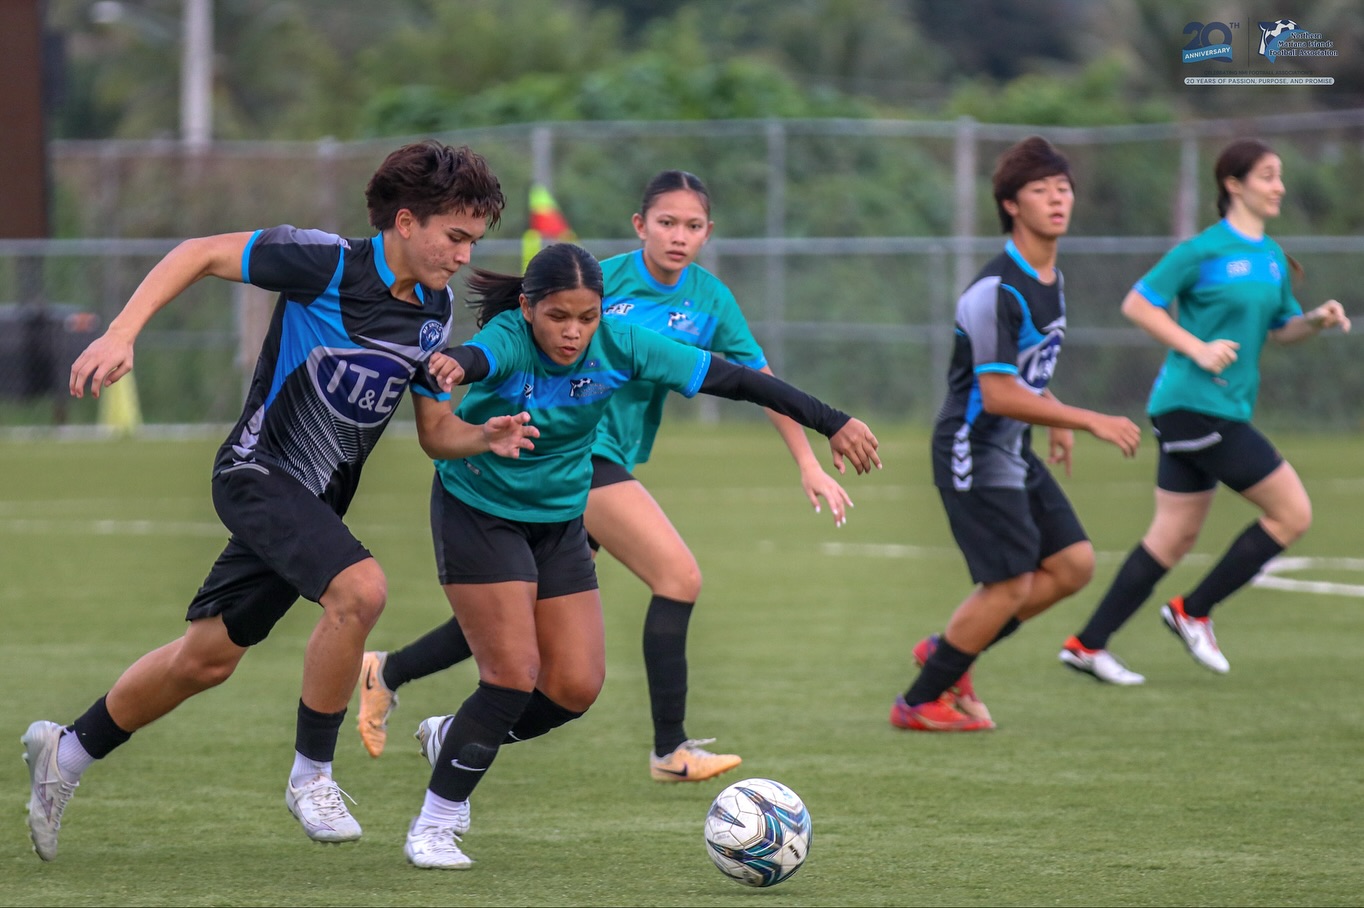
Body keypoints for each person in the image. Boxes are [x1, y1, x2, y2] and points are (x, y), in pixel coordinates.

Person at [21, 140, 537, 862]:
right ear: (406, 221)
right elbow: (199, 253)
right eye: (454, 237)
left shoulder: (435, 309)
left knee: (205, 659)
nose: (463, 255)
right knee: (361, 590)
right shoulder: (324, 262)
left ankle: (66, 752)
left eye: (473, 241)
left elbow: (433, 434)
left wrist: (483, 436)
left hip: (314, 506)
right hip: (256, 473)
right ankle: (312, 776)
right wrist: (121, 332)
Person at [357, 170, 857, 782]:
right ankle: (670, 749)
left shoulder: (709, 299)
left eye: (692, 225)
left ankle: (392, 672)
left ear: (708, 232)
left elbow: (751, 377)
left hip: (602, 463)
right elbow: (498, 347)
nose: (678, 236)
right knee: (676, 577)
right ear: (640, 226)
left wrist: (810, 453)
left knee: (519, 615)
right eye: (667, 222)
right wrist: (459, 363)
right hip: (575, 459)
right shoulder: (599, 280)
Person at [398, 241, 879, 869]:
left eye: (587, 317)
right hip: (480, 511)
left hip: (559, 518)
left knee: (575, 687)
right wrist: (454, 364)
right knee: (513, 673)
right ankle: (435, 824)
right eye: (558, 316)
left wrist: (831, 420)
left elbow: (736, 379)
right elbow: (477, 357)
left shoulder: (622, 343)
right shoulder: (511, 337)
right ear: (528, 307)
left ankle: (454, 734)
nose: (573, 333)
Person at [1058, 138, 1351, 683]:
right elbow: (1137, 303)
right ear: (1233, 185)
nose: (1279, 186)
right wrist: (1196, 347)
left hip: (1214, 410)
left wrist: (1316, 320)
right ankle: (1192, 612)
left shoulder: (1271, 257)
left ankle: (1087, 644)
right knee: (1292, 513)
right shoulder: (1203, 250)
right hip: (1196, 406)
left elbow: (1281, 330)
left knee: (1172, 537)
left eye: (1280, 175)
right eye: (1267, 175)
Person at [891, 136, 1142, 732]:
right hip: (972, 445)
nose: (1057, 199)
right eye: (1040, 190)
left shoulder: (1049, 277)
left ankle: (950, 649)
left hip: (1010, 445)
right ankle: (920, 700)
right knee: (1008, 583)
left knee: (1073, 565)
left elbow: (1021, 372)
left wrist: (1050, 409)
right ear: (1010, 204)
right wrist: (1087, 418)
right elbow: (997, 392)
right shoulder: (995, 290)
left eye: (1064, 188)